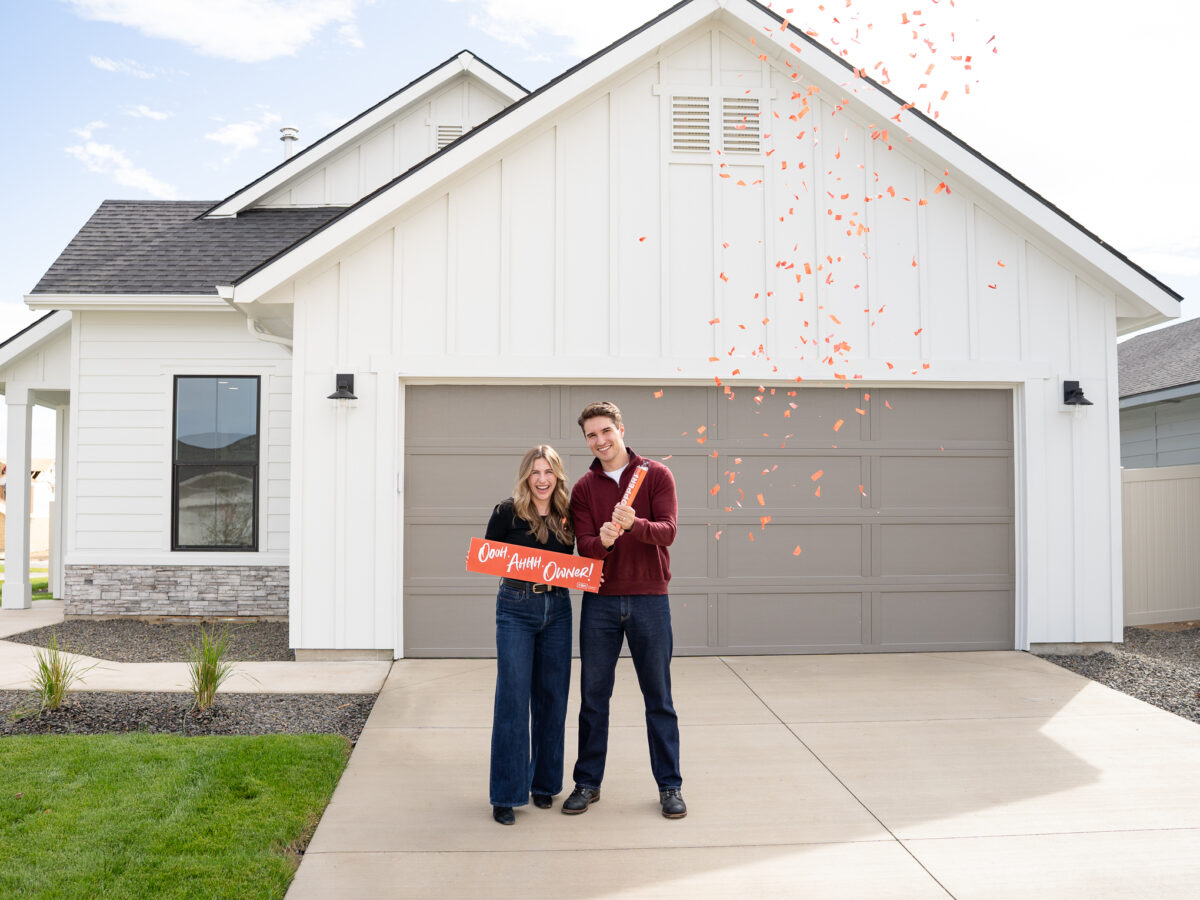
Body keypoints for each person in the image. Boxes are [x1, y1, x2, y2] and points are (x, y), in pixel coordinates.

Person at [561, 401, 686, 819]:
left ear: (620, 429)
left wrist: (636, 525)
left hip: (651, 599)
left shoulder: (656, 475)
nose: (599, 441)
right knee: (594, 699)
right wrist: (607, 539)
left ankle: (670, 786)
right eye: (591, 436)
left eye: (605, 432)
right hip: (600, 602)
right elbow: (585, 547)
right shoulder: (583, 488)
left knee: (659, 699)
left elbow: (668, 532)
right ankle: (587, 783)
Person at [485, 445, 575, 826]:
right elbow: (490, 556)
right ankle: (506, 794)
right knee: (512, 699)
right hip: (516, 606)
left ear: (557, 476)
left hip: (558, 609)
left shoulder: (569, 514)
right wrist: (525, 564)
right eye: (535, 472)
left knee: (552, 699)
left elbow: (581, 557)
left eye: (549, 472)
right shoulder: (507, 511)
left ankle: (543, 786)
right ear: (526, 475)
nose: (542, 479)